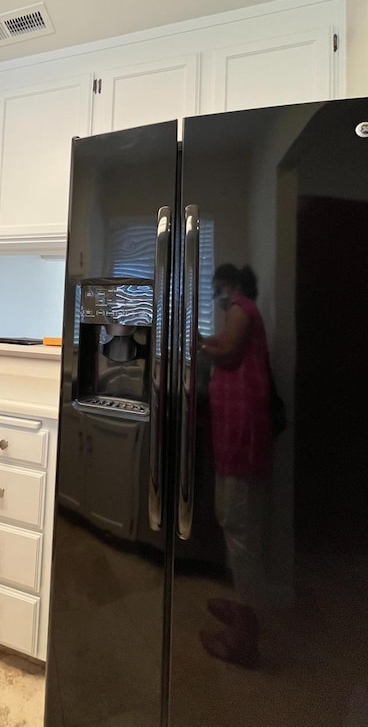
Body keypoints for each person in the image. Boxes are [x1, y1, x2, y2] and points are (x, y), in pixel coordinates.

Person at [197, 263, 273, 669]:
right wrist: (200, 340)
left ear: (233, 286)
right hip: (235, 433)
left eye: (218, 289)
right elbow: (222, 342)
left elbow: (227, 351)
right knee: (231, 518)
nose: (216, 295)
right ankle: (242, 606)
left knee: (239, 526)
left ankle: (246, 637)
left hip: (242, 435)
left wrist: (202, 345)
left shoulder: (240, 306)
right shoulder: (237, 312)